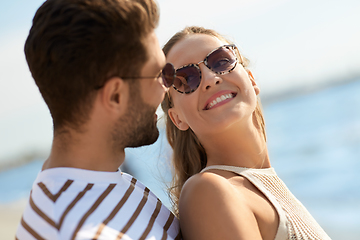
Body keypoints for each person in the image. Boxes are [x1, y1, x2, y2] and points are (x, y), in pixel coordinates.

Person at [15, 0, 180, 239]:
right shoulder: (77, 231)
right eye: (159, 74)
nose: (166, 86)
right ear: (115, 96)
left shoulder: (105, 181)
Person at [161, 26, 331, 240]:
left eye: (221, 61)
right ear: (177, 118)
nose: (211, 79)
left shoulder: (262, 184)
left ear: (251, 79)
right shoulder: (209, 191)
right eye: (185, 79)